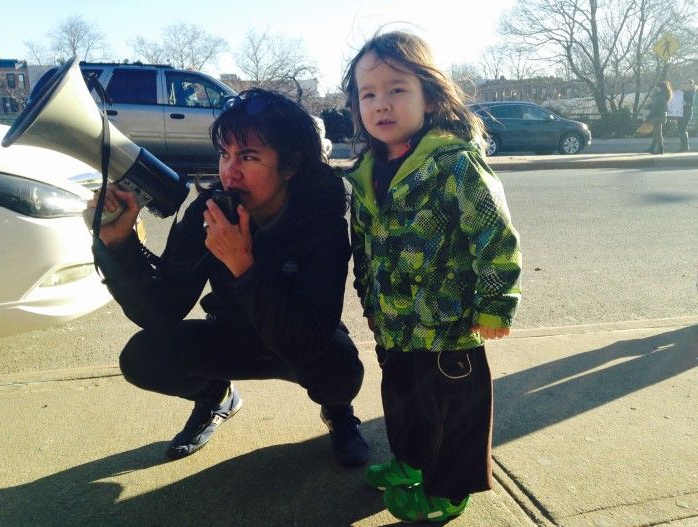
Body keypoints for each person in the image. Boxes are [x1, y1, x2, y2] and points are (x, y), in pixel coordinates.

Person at [87, 88, 369, 467]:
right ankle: (215, 397)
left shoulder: (321, 224)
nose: (229, 171)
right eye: (225, 154)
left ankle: (338, 412)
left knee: (341, 370)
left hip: (301, 340)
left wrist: (244, 266)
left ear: (291, 165)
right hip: (232, 333)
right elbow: (160, 312)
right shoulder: (209, 211)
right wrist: (118, 244)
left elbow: (305, 343)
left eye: (248, 157)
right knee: (142, 358)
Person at [341, 31, 522, 523]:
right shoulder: (365, 172)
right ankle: (410, 462)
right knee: (402, 401)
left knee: (453, 411)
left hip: (449, 325)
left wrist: (495, 304)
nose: (382, 103)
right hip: (395, 323)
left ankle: (450, 488)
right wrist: (370, 305)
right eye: (368, 93)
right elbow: (364, 248)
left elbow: (494, 236)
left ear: (430, 94)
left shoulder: (455, 165)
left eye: (397, 89)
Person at [645, 81, 673, 155]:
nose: (656, 88)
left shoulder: (660, 96)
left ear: (660, 87)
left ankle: (661, 149)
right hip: (663, 116)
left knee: (658, 134)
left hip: (658, 117)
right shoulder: (664, 95)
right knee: (656, 133)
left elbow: (655, 108)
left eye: (657, 87)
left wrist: (648, 117)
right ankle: (651, 148)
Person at [677, 79, 695, 152]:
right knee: (680, 129)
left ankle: (685, 147)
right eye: (684, 83)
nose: (684, 84)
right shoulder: (682, 92)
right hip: (680, 112)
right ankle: (683, 146)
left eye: (686, 83)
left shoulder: (692, 92)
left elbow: (691, 103)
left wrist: (686, 103)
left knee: (683, 129)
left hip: (687, 112)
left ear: (691, 85)